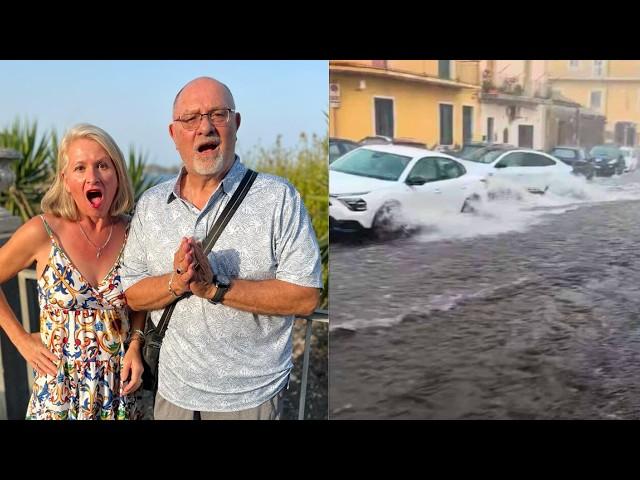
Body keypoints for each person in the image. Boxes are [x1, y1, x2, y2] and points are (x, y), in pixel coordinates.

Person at [121, 76, 322, 420]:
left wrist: (214, 287)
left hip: (250, 398)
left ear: (236, 124)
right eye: (191, 118)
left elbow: (305, 296)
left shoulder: (278, 198)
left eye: (218, 114)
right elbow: (133, 293)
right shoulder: (151, 204)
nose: (205, 127)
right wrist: (178, 282)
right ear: (173, 134)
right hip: (174, 393)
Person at [0, 124, 146, 420]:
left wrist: (135, 344)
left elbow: (142, 297)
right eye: (80, 167)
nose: (92, 176)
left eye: (103, 165)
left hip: (122, 396)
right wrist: (20, 339)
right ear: (65, 180)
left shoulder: (136, 232)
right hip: (58, 397)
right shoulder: (42, 232)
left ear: (117, 174)